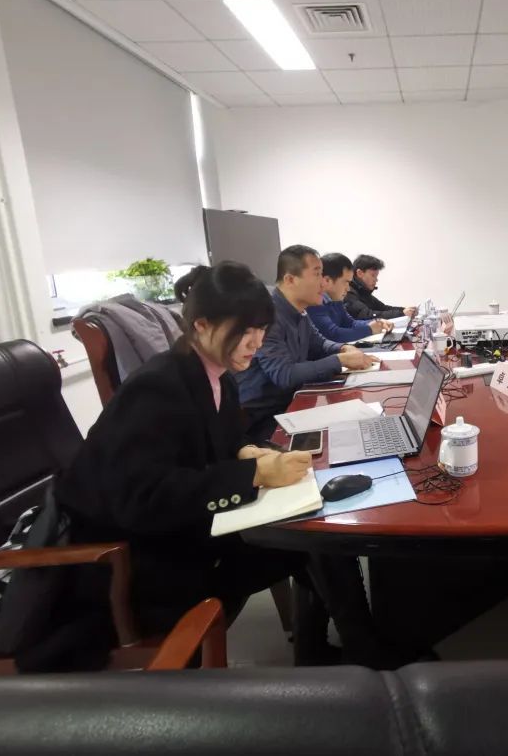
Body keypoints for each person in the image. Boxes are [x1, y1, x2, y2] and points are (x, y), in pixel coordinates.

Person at [53, 262, 335, 667]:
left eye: (261, 329)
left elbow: (220, 443)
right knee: (304, 543)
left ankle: (329, 649)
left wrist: (246, 452)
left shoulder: (217, 376)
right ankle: (342, 650)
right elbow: (143, 498)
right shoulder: (157, 386)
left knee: (311, 535)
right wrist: (253, 473)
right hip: (131, 562)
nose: (255, 342)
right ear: (201, 325)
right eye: (244, 330)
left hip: (182, 530)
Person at [236, 245, 376, 440]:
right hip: (264, 422)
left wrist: (343, 348)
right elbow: (283, 374)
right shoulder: (268, 314)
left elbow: (318, 344)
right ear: (290, 279)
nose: (323, 283)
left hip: (292, 405)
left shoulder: (299, 310)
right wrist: (340, 360)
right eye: (317, 274)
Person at [308, 253, 393, 343]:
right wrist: (369, 329)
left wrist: (377, 322)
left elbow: (350, 323)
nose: (348, 288)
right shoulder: (313, 302)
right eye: (346, 282)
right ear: (327, 281)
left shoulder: (336, 299)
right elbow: (333, 334)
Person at [344, 254, 417, 321]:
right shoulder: (348, 292)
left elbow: (383, 308)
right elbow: (367, 315)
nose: (376, 280)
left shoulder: (363, 291)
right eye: (373, 275)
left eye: (376, 276)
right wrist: (402, 313)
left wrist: (405, 310)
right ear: (359, 273)